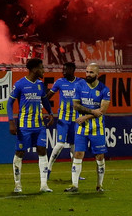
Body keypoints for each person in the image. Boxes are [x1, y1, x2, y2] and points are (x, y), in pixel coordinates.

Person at [9, 57, 53, 193]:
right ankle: (17, 185)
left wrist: (50, 113)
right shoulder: (20, 84)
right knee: (20, 152)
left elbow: (45, 100)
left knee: (42, 150)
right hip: (24, 126)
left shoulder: (40, 85)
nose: (43, 70)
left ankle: (44, 185)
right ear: (34, 69)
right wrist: (11, 122)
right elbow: (9, 103)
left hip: (39, 126)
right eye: (41, 67)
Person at [67, 61, 110, 193]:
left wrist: (86, 116)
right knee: (78, 154)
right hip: (81, 128)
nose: (88, 74)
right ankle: (74, 185)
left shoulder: (104, 89)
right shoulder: (79, 86)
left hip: (97, 128)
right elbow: (76, 105)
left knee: (99, 157)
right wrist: (92, 111)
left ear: (97, 74)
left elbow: (102, 110)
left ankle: (99, 185)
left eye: (91, 72)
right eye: (87, 72)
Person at [45, 61, 80, 186]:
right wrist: (45, 107)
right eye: (62, 69)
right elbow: (48, 96)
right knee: (59, 144)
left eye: (65, 69)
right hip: (63, 119)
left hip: (75, 120)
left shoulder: (80, 82)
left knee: (73, 146)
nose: (63, 71)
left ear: (72, 69)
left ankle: (74, 172)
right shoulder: (59, 82)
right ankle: (48, 169)